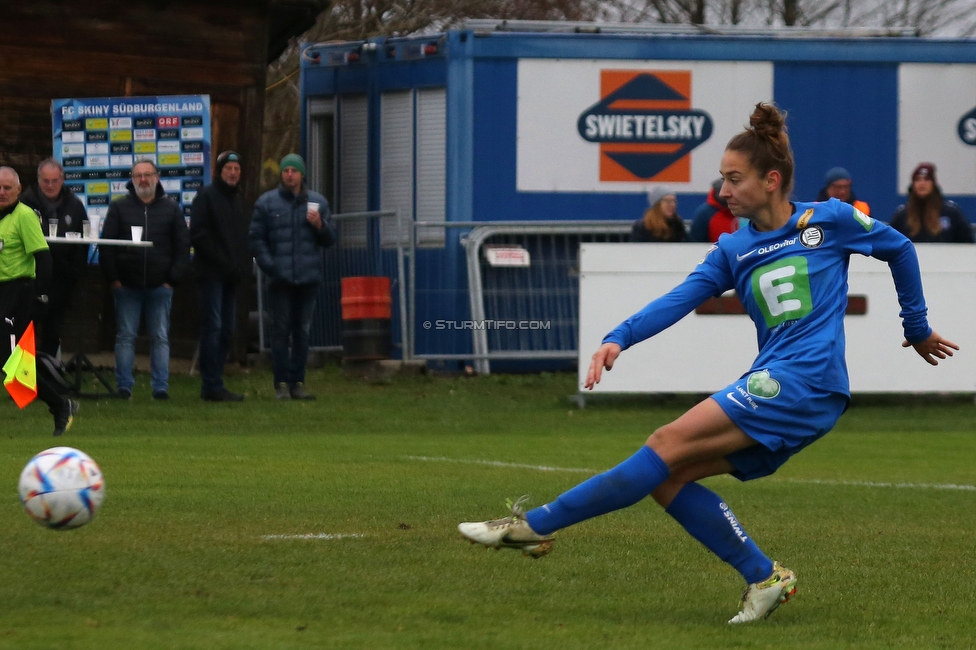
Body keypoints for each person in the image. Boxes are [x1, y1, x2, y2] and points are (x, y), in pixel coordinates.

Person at [458, 103, 958, 624]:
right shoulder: (733, 248)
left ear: (770, 181)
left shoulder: (829, 219)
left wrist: (916, 326)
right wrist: (619, 338)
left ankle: (536, 523)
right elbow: (679, 298)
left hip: (803, 382)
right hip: (782, 385)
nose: (723, 191)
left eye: (734, 179)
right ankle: (764, 577)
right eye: (722, 179)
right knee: (665, 476)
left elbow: (900, 247)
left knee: (661, 444)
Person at [100, 160, 190, 400]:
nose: (143, 179)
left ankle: (160, 388)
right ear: (132, 179)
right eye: (138, 175)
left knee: (160, 338)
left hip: (161, 287)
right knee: (125, 337)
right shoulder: (119, 208)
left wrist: (171, 280)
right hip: (126, 286)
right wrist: (114, 279)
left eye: (147, 175)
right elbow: (106, 247)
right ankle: (124, 387)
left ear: (157, 177)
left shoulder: (172, 209)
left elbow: (183, 249)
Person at [248, 153, 336, 401]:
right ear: (281, 174)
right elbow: (256, 239)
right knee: (280, 331)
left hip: (308, 279)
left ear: (302, 174)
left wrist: (321, 225)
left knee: (302, 332)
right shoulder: (266, 203)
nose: (289, 174)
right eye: (285, 170)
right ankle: (281, 383)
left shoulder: (318, 203)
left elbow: (331, 240)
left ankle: (298, 382)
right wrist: (270, 266)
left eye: (294, 171)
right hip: (280, 280)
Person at [0, 166, 79, 435]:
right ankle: (60, 401)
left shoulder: (24, 216)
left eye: (7, 188)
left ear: (19, 190)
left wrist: (40, 296)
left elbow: (44, 258)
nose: (2, 192)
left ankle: (60, 404)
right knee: (17, 364)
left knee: (10, 361)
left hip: (16, 293)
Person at [190, 151, 247, 402]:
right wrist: (223, 262)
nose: (233, 173)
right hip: (211, 274)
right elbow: (199, 236)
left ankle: (217, 379)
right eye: (228, 168)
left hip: (232, 277)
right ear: (219, 171)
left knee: (227, 330)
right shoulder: (206, 196)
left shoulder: (239, 200)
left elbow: (243, 239)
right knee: (212, 327)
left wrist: (243, 265)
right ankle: (210, 384)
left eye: (236, 168)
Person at [19, 158, 89, 357]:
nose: (50, 185)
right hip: (29, 278)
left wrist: (74, 273)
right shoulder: (24, 203)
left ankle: (48, 377)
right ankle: (24, 377)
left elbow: (82, 242)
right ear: (38, 180)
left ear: (63, 180)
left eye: (55, 180)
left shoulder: (75, 205)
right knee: (26, 331)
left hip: (61, 280)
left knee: (54, 330)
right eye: (45, 181)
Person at [889, 163, 974, 243]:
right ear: (913, 184)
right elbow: (889, 242)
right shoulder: (902, 215)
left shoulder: (951, 213)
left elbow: (967, 243)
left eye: (927, 179)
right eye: (918, 179)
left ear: (934, 184)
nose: (922, 184)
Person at [689, 177, 739, 242]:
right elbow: (696, 240)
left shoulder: (743, 210)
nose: (725, 194)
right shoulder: (705, 212)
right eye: (721, 191)